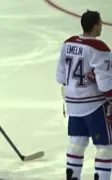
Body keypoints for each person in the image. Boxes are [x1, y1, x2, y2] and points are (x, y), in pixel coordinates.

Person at [56, 10, 112, 180]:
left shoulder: (68, 43)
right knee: (105, 147)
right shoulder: (98, 48)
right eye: (100, 24)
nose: (102, 26)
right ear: (95, 26)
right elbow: (105, 83)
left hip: (72, 103)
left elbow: (60, 76)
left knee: (77, 143)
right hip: (94, 105)